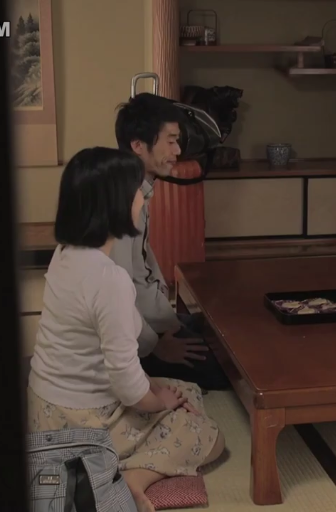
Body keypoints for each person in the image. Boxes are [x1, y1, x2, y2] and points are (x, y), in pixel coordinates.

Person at [26, 147, 225, 512]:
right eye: (136, 190)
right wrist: (157, 402)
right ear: (115, 203)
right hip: (85, 419)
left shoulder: (65, 253)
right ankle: (132, 480)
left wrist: (156, 389)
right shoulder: (108, 278)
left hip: (44, 410)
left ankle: (92, 466)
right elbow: (125, 379)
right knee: (208, 435)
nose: (143, 197)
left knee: (187, 391)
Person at [111, 92, 229, 391]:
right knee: (232, 372)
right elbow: (116, 297)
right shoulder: (122, 201)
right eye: (171, 141)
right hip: (135, 340)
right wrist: (156, 345)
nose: (178, 150)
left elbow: (144, 273)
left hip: (153, 320)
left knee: (227, 337)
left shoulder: (138, 189)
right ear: (138, 145)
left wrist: (169, 323)